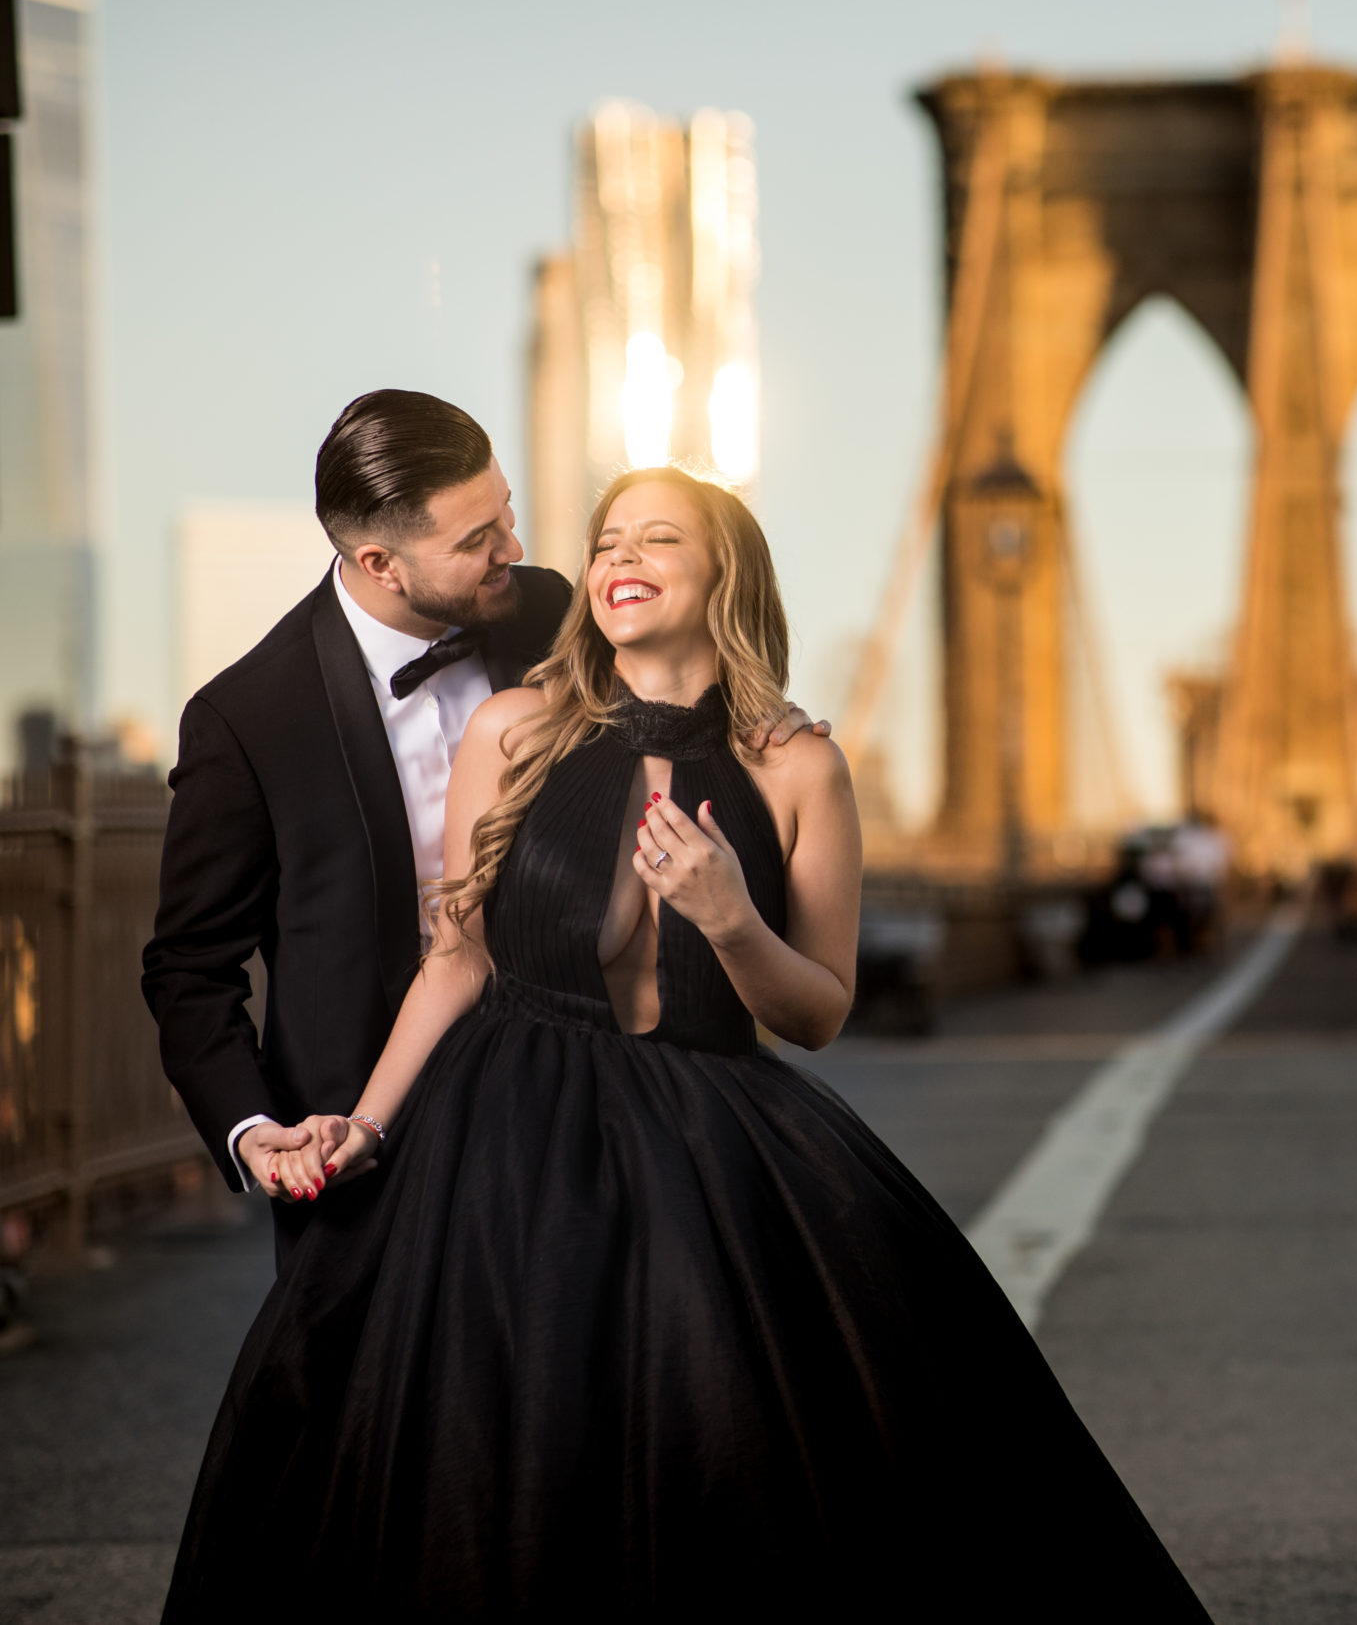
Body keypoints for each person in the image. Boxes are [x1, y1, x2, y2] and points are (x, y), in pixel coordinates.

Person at [161, 467, 1210, 1618]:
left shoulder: (801, 765)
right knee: (492, 1444)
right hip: (504, 1134)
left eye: (659, 538)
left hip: (717, 1137)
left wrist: (731, 920)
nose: (619, 557)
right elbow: (455, 960)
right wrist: (366, 1122)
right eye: (607, 539)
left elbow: (817, 1011)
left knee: (744, 1436)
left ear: (727, 576)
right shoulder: (511, 733)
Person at [140, 391, 817, 1262]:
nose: (515, 549)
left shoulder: (551, 612)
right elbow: (190, 966)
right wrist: (251, 1129)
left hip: (586, 1112)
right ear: (382, 561)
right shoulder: (248, 717)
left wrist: (768, 721)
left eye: (504, 513)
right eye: (477, 541)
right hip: (365, 1134)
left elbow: (681, 677)